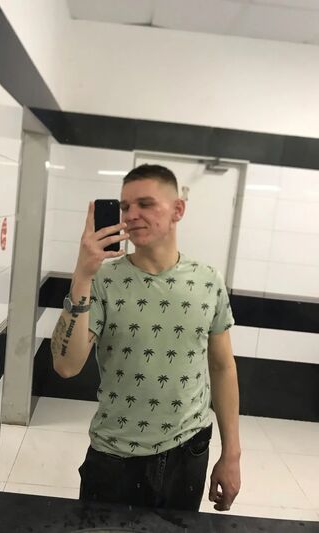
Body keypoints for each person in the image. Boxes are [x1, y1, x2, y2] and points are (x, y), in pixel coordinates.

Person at [51, 164, 241, 512]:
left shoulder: (208, 281)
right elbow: (66, 366)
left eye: (145, 204)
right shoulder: (103, 280)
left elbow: (222, 367)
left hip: (188, 448)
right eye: (125, 206)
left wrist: (232, 454)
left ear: (178, 210)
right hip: (114, 454)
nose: (131, 215)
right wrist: (82, 275)